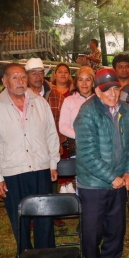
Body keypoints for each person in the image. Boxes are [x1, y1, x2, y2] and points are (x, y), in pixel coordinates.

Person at [74, 68, 129, 258]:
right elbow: (86, 154)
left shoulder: (127, 112)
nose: (112, 94)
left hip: (119, 181)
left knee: (116, 227)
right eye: (106, 90)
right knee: (93, 230)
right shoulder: (87, 112)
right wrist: (112, 177)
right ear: (97, 91)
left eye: (116, 89)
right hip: (92, 184)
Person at [0, 63, 59, 253]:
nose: (20, 81)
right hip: (12, 171)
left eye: (23, 77)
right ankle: (26, 255)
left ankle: (45, 254)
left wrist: (53, 163)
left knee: (44, 213)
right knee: (19, 216)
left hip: (40, 167)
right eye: (14, 77)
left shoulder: (40, 102)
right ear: (4, 81)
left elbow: (51, 134)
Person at [47, 63, 74, 194]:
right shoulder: (49, 91)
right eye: (60, 71)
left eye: (66, 72)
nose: (63, 74)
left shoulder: (74, 91)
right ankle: (62, 184)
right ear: (55, 74)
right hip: (54, 128)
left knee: (68, 156)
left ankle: (69, 183)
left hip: (70, 130)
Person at [59, 66, 95, 159]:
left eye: (88, 79)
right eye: (80, 80)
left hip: (98, 147)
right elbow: (63, 126)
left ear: (93, 82)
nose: (84, 83)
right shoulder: (69, 100)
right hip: (76, 148)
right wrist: (80, 136)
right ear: (76, 83)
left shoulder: (100, 100)